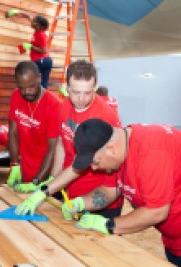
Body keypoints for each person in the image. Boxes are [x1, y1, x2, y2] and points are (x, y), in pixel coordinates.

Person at [61, 118, 181, 267]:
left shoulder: (152, 151)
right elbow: (109, 190)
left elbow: (157, 211)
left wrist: (109, 225)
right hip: (173, 241)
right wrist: (79, 203)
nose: (93, 168)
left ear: (111, 149)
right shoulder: (121, 149)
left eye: (95, 161)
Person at [15, 60, 123, 220]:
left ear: (95, 86)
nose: (81, 98)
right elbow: (61, 143)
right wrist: (53, 177)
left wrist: (46, 189)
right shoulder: (64, 107)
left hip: (99, 198)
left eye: (87, 92)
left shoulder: (105, 117)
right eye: (76, 92)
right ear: (66, 88)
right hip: (72, 192)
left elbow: (81, 165)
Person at [7, 60, 61, 192]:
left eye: (31, 86)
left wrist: (36, 181)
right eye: (21, 87)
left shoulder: (54, 105)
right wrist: (14, 164)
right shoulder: (16, 95)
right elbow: (12, 132)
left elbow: (53, 149)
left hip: (47, 177)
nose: (26, 92)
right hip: (25, 171)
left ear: (40, 79)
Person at [6, 9, 52, 89]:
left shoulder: (41, 35)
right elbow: (27, 16)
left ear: (40, 26)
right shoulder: (37, 28)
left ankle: (40, 98)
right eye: (33, 21)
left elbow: (44, 50)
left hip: (42, 60)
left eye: (35, 22)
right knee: (39, 82)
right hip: (41, 60)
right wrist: (16, 12)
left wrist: (31, 46)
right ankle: (40, 96)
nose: (32, 23)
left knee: (36, 81)